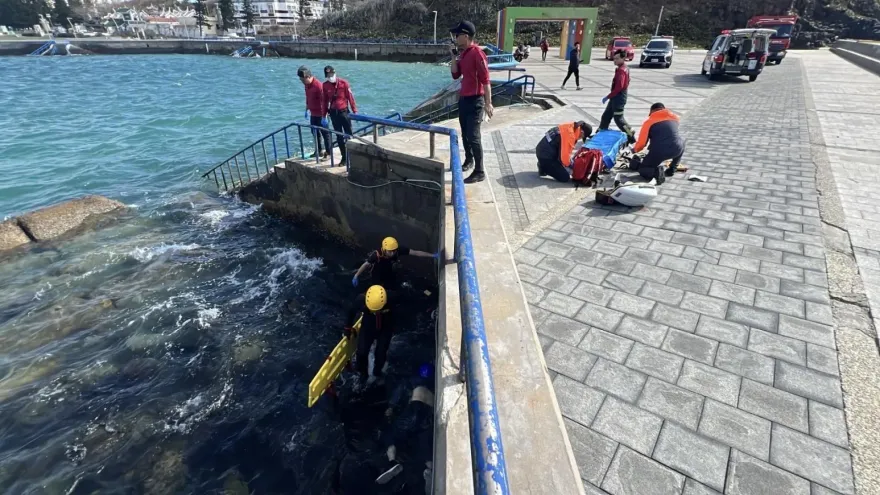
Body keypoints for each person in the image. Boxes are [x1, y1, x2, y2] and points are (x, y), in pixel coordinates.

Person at [375, 364, 435, 488]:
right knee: (424, 445)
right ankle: (430, 469)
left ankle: (392, 462)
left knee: (390, 434)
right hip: (426, 418)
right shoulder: (433, 391)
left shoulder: (414, 385)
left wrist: (391, 408)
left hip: (413, 410)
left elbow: (398, 394)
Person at [450, 20, 494, 184]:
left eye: (457, 34)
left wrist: (488, 103)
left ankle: (480, 171)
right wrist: (453, 57)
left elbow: (486, 80)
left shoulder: (477, 53)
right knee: (464, 133)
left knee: (473, 136)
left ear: (466, 36)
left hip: (476, 101)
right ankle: (469, 160)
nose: (455, 37)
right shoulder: (464, 53)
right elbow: (455, 74)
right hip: (464, 99)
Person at [345, 285, 394, 386]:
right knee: (362, 352)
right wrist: (347, 327)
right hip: (368, 326)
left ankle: (377, 372)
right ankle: (362, 373)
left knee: (381, 353)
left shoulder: (392, 297)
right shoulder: (361, 299)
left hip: (385, 327)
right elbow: (351, 311)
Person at [352, 237, 438, 289]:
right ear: (385, 249)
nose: (392, 253)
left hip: (389, 271)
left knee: (392, 286)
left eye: (394, 251)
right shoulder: (376, 255)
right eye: (390, 251)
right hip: (377, 274)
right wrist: (356, 275)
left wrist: (433, 255)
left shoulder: (398, 250)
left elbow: (415, 252)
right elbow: (366, 264)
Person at [632, 102, 686, 185]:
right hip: (678, 149)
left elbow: (642, 143)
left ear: (652, 111)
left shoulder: (649, 122)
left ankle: (656, 173)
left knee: (643, 169)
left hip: (660, 151)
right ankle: (672, 169)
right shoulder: (675, 118)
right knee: (679, 142)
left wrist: (635, 150)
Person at [599, 50, 636, 144]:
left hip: (619, 97)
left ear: (623, 58)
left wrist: (608, 96)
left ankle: (630, 134)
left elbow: (619, 87)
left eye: (617, 58)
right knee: (606, 116)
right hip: (615, 97)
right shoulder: (624, 68)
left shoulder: (621, 70)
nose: (614, 60)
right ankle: (600, 133)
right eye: (614, 58)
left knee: (618, 119)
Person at [323, 65, 358, 165]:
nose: (330, 76)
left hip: (344, 112)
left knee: (349, 134)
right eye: (328, 75)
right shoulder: (325, 85)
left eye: (332, 74)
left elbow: (350, 97)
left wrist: (355, 111)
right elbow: (324, 101)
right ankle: (344, 157)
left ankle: (353, 155)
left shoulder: (344, 83)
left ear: (335, 73)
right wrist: (323, 115)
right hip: (334, 114)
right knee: (339, 137)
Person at [298, 65, 332, 160]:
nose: (302, 82)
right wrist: (306, 109)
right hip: (313, 114)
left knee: (325, 134)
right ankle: (319, 150)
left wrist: (324, 116)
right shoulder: (307, 86)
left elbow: (324, 101)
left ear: (308, 77)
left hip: (321, 115)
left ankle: (328, 153)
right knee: (314, 132)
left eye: (303, 80)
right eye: (301, 80)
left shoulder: (318, 86)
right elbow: (308, 98)